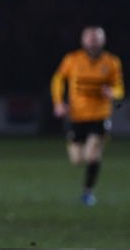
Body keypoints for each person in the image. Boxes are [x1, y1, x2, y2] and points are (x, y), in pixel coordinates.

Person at [50, 26, 125, 206]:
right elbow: (58, 80)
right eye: (90, 38)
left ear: (103, 41)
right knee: (77, 160)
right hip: (76, 115)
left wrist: (113, 93)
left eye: (96, 38)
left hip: (100, 114)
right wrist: (59, 102)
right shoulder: (72, 60)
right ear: (83, 41)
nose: (93, 41)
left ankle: (87, 193)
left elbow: (120, 89)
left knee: (93, 156)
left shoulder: (112, 62)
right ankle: (74, 144)